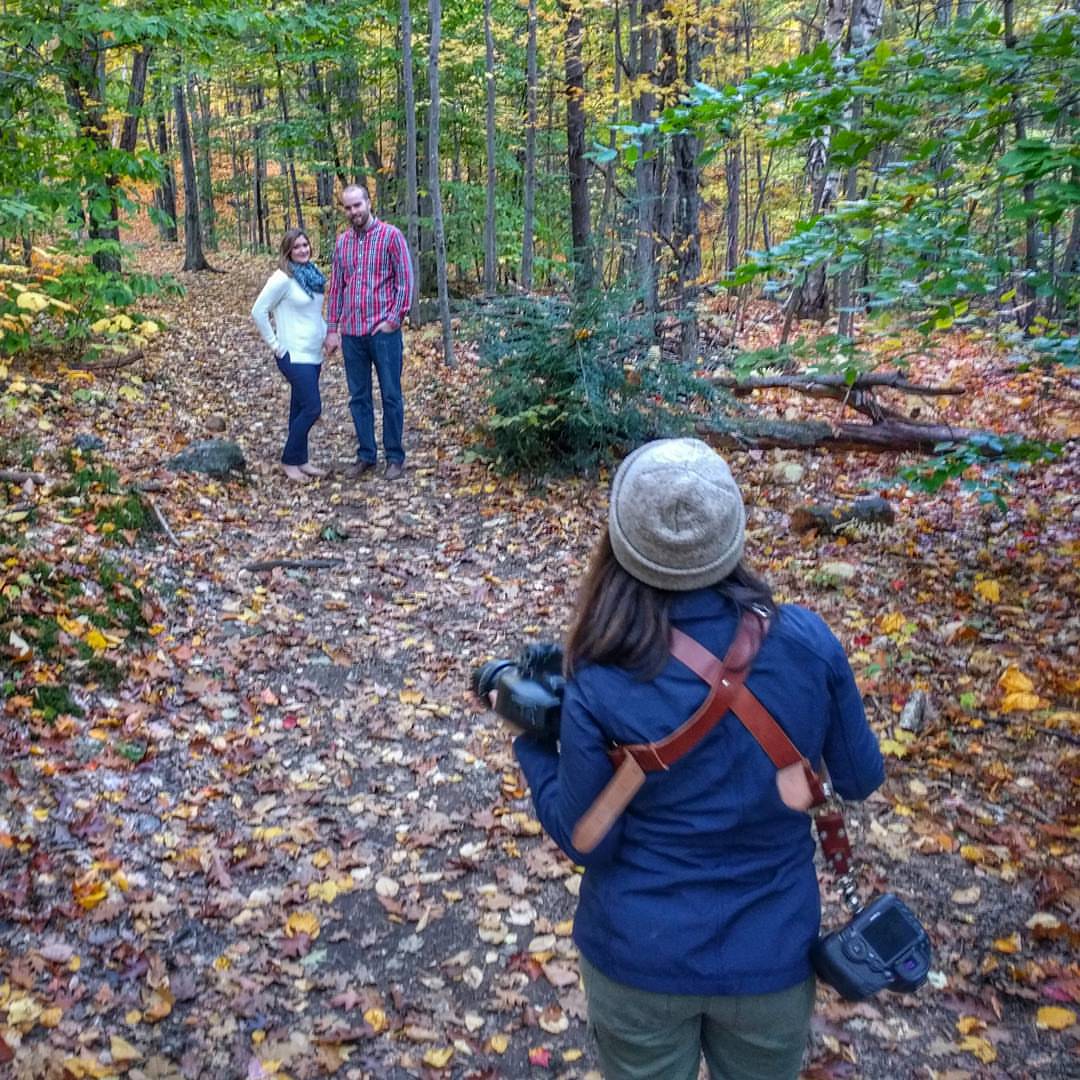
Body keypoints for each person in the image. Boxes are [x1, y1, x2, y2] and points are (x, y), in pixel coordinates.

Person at [510, 438, 885, 1080]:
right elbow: (859, 777)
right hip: (772, 954)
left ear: (621, 543)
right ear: (733, 531)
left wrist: (532, 747)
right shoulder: (808, 644)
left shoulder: (601, 668)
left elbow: (588, 840)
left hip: (639, 954)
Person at [323, 184, 414, 481]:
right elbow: (337, 287)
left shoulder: (391, 236)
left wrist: (393, 319)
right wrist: (333, 329)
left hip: (382, 332)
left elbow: (405, 280)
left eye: (357, 205)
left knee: (390, 395)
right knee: (358, 397)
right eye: (347, 208)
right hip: (352, 332)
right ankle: (366, 455)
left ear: (368, 202)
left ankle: (394, 457)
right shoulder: (342, 243)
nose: (353, 212)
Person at [251, 228, 327, 483]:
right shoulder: (282, 278)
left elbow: (314, 314)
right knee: (312, 408)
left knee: (299, 407)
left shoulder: (313, 276)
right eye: (297, 247)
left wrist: (327, 334)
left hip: (313, 352)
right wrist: (276, 345)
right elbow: (258, 311)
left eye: (305, 245)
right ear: (287, 251)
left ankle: (302, 460)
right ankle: (289, 459)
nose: (303, 250)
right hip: (293, 354)